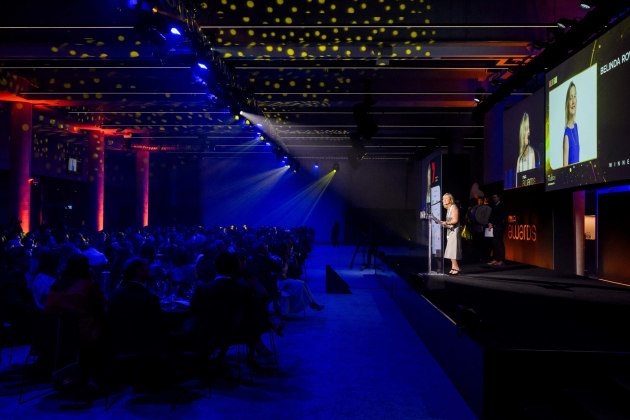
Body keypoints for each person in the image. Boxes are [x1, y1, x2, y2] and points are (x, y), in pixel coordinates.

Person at [439, 193, 462, 275]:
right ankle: (454, 267)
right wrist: (442, 223)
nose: (443, 200)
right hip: (450, 231)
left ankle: (456, 267)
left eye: (446, 198)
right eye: (443, 199)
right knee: (450, 250)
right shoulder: (449, 209)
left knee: (452, 250)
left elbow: (455, 220)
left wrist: (446, 223)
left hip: (454, 231)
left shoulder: (453, 207)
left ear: (450, 199)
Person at [562, 81, 579, 166]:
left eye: (574, 96)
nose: (573, 101)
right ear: (567, 103)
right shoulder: (566, 135)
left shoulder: (576, 126)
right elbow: (565, 169)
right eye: (570, 98)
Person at [488, 193, 506, 266]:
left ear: (499, 198)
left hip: (498, 227)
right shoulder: (493, 206)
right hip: (493, 227)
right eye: (493, 197)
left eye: (495, 197)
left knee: (499, 243)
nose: (494, 199)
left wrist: (492, 223)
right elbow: (491, 216)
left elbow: (500, 216)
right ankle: (495, 259)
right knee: (494, 243)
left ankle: (501, 260)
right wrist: (489, 223)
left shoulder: (501, 205)